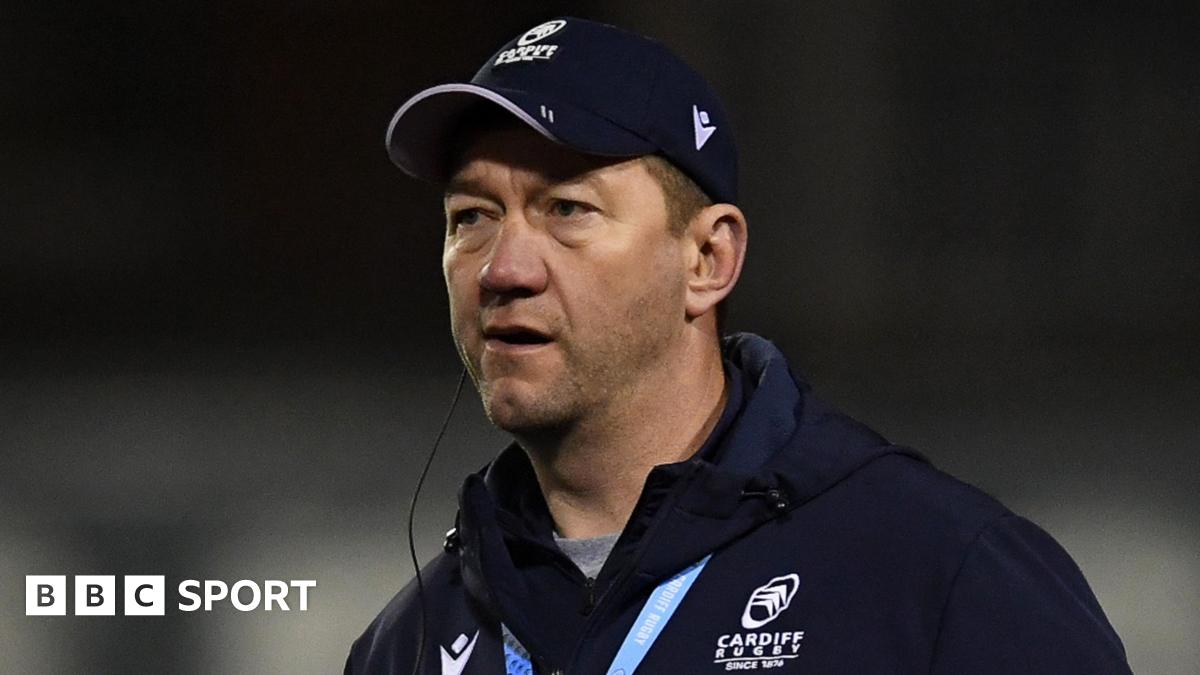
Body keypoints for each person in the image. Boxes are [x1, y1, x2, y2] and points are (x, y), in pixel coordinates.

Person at [347, 17, 1131, 675]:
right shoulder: (406, 645)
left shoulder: (941, 578)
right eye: (471, 217)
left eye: (567, 208)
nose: (502, 269)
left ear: (707, 259)